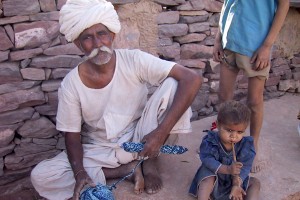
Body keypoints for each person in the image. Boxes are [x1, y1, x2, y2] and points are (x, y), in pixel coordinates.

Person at [30, 0, 202, 199]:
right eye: (87, 38)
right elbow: (72, 137)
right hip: (100, 148)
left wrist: (159, 134)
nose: (97, 44)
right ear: (78, 44)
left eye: (102, 34)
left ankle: (150, 161)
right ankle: (124, 170)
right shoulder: (71, 84)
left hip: (141, 136)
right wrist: (79, 174)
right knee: (42, 176)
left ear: (112, 35)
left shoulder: (134, 60)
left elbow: (193, 78)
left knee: (173, 84)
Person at [213, 0, 289, 172]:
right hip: (229, 41)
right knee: (224, 98)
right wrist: (218, 39)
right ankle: (221, 143)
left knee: (254, 102)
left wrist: (267, 46)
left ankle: (252, 147)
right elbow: (227, 4)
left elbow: (284, 5)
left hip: (256, 45)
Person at [189, 100, 260, 200]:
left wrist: (236, 184)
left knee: (255, 183)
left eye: (240, 132)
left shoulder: (246, 146)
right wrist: (227, 169)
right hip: (215, 178)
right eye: (229, 130)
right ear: (218, 125)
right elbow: (207, 160)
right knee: (207, 178)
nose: (234, 136)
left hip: (232, 183)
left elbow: (245, 167)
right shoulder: (210, 141)